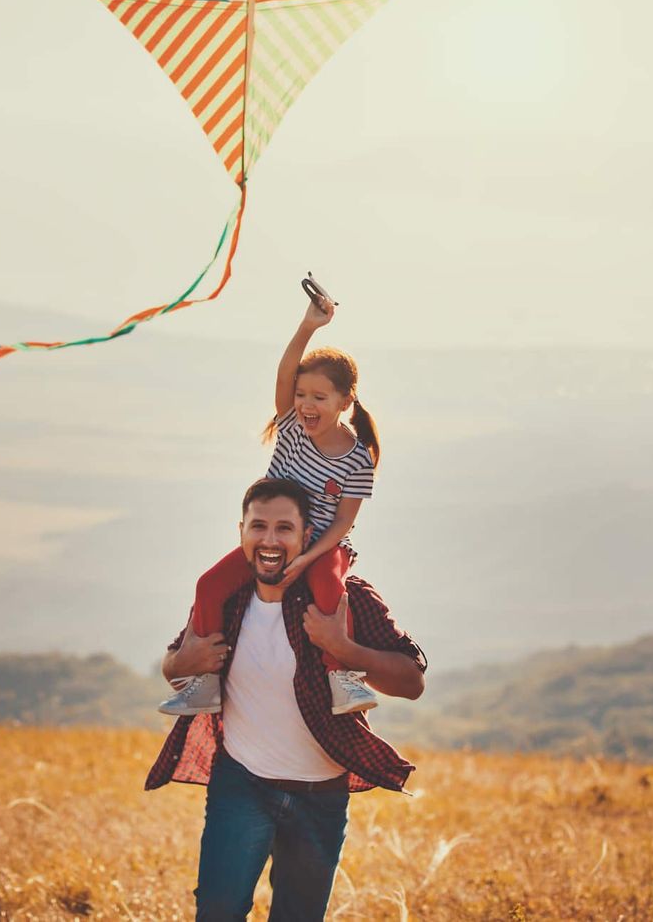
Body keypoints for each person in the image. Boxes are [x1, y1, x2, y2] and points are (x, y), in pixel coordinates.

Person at [148, 477, 427, 920]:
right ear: (241, 531)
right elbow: (175, 666)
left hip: (321, 797)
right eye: (259, 527)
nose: (270, 540)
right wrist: (184, 662)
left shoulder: (345, 598)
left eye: (284, 528)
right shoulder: (226, 598)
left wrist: (346, 649)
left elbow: (412, 680)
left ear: (306, 536)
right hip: (241, 786)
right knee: (217, 913)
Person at [161, 291, 383, 717]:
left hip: (319, 544)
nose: (306, 404)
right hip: (275, 534)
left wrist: (309, 559)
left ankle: (343, 679)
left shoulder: (358, 459)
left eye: (319, 397)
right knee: (209, 586)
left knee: (329, 593)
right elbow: (284, 374)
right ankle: (204, 682)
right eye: (302, 394)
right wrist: (308, 325)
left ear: (345, 402)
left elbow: (343, 524)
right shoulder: (291, 427)